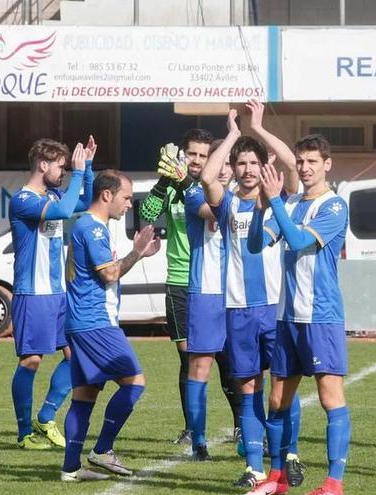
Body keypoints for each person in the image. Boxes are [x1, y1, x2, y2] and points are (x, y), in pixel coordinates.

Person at [200, 104, 304, 492]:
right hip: (239, 309)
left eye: (251, 162)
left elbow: (293, 165)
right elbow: (208, 176)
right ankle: (255, 466)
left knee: (283, 389)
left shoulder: (283, 199)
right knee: (249, 390)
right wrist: (230, 135)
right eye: (239, 163)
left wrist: (257, 127)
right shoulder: (227, 202)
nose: (245, 169)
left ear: (263, 166)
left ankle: (289, 455)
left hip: (277, 310)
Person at [254, 133, 350, 495]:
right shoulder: (290, 202)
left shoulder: (335, 205)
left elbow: (296, 241)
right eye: (301, 161)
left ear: (327, 164)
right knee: (277, 401)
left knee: (330, 399)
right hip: (287, 317)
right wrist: (265, 206)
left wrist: (276, 202)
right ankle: (277, 479)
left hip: (321, 316)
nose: (305, 168)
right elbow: (256, 243)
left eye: (313, 161)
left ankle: (333, 483)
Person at [139, 128, 244, 447]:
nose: (197, 160)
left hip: (216, 284)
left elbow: (211, 216)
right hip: (180, 282)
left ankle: (240, 424)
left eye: (203, 155)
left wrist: (184, 181)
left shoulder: (215, 189)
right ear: (182, 155)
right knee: (188, 360)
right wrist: (163, 181)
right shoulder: (171, 188)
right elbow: (146, 215)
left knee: (226, 358)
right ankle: (191, 428)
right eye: (192, 154)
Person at [60, 170, 161, 481]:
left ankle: (71, 468)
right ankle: (103, 449)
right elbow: (110, 275)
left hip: (82, 323)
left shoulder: (90, 226)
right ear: (107, 195)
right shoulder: (94, 230)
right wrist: (137, 252)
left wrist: (138, 255)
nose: (129, 204)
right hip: (96, 323)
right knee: (135, 382)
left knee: (84, 393)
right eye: (126, 197)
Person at [9, 136, 95, 449]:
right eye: (61, 167)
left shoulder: (55, 194)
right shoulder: (22, 200)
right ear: (43, 165)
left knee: (76, 356)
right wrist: (78, 171)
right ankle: (23, 434)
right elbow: (63, 212)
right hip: (33, 294)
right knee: (31, 360)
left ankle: (45, 417)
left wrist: (87, 170)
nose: (64, 173)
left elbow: (86, 201)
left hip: (59, 294)